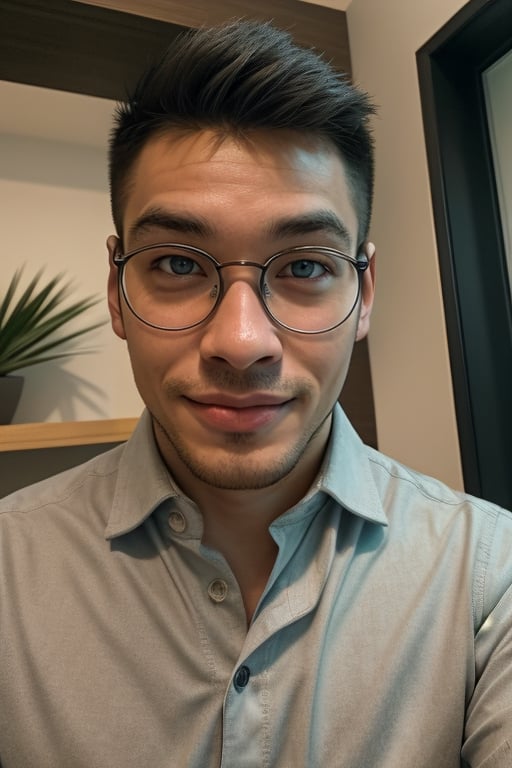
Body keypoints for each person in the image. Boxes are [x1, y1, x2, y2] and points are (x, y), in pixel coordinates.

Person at [1, 19, 511, 768]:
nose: (242, 343)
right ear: (116, 288)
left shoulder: (488, 579)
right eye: (178, 263)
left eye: (304, 267)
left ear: (364, 292)